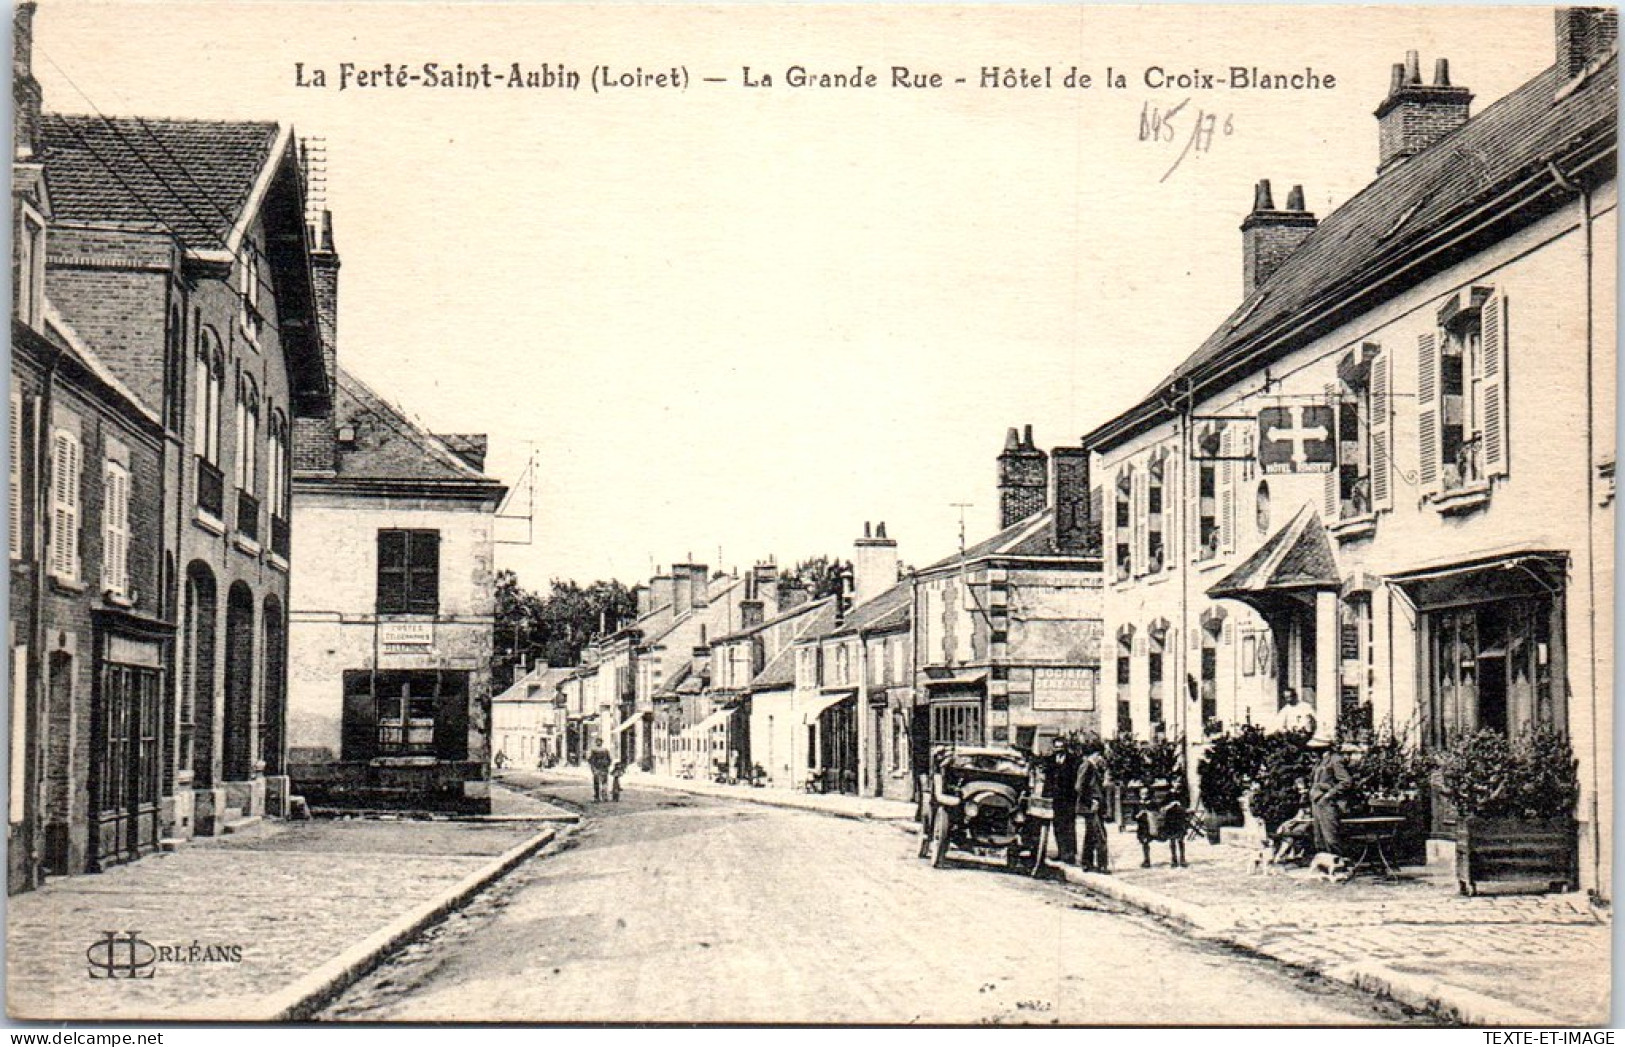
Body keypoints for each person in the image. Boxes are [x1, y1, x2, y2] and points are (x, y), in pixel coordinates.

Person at [1308, 736, 1353, 855]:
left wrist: (1329, 795)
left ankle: (1340, 866)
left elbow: (1346, 781)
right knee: (1319, 838)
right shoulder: (1320, 761)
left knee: (1331, 838)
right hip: (1317, 802)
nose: (1313, 750)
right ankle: (1326, 868)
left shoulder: (1335, 760)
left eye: (1315, 748)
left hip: (1328, 803)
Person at [1041, 738, 1079, 865]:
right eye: (1056, 748)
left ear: (1065, 748)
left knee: (1069, 826)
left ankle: (1070, 854)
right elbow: (1047, 780)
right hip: (1055, 799)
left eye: (1061, 747)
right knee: (1057, 826)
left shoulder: (1073, 761)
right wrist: (1046, 796)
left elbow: (1075, 780)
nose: (1058, 750)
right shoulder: (1050, 761)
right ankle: (1061, 852)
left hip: (1068, 799)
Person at [1076, 744, 1111, 873]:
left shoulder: (1095, 767)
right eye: (1099, 755)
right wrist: (1091, 801)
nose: (1101, 758)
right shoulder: (1087, 765)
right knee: (1100, 835)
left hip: (1095, 807)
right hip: (1091, 807)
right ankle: (1101, 866)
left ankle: (1087, 863)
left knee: (1091, 835)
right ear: (1095, 754)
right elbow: (1079, 787)